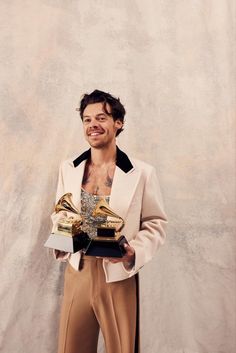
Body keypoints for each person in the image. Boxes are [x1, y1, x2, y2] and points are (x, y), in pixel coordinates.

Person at [51, 89, 167, 353]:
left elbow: (156, 222)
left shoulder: (142, 173)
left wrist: (133, 252)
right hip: (77, 272)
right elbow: (60, 210)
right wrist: (61, 236)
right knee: (71, 348)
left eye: (101, 118)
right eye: (87, 119)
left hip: (118, 276)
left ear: (118, 123)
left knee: (121, 349)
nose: (93, 125)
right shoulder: (68, 168)